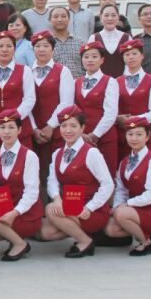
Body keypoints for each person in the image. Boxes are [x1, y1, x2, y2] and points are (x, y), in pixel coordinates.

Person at [39, 106, 114, 258]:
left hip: (91, 209)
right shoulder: (57, 153)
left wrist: (90, 208)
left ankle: (85, 242)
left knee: (50, 209)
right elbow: (52, 180)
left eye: (73, 126)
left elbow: (108, 184)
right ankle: (84, 233)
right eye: (64, 126)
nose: (68, 130)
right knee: (46, 232)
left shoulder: (91, 153)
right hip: (70, 206)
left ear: (82, 128)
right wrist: (57, 199)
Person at [104, 117, 151, 256]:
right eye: (130, 134)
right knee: (111, 229)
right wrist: (117, 205)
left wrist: (127, 204)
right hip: (136, 208)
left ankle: (146, 243)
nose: (134, 138)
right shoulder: (124, 162)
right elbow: (121, 190)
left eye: (139, 134)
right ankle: (147, 232)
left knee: (121, 214)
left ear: (148, 136)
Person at [0, 111, 42, 262]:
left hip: (25, 212)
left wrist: (14, 213)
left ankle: (20, 244)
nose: (6, 132)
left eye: (11, 127)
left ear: (20, 130)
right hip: (4, 206)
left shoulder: (29, 156)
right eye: (2, 127)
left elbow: (32, 192)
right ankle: (14, 239)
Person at [0, 31, 36, 155]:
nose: (4, 50)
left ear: (14, 49)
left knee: (23, 160)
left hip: (20, 127)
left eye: (9, 46)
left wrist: (15, 118)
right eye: (0, 46)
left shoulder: (25, 70)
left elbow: (30, 99)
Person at [30, 30, 74, 171]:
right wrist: (34, 129)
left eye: (46, 46)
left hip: (57, 130)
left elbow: (66, 102)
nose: (41, 49)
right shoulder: (27, 72)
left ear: (53, 49)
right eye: (37, 46)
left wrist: (50, 126)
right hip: (33, 132)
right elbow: (25, 103)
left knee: (58, 168)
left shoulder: (63, 71)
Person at [75, 41, 120, 176]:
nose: (90, 60)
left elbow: (111, 113)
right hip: (82, 137)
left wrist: (95, 134)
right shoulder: (76, 82)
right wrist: (80, 134)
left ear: (102, 60)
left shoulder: (110, 81)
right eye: (86, 57)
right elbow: (73, 110)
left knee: (107, 175)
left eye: (94, 56)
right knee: (84, 175)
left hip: (104, 137)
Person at [115, 39, 151, 160]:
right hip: (122, 137)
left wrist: (137, 119)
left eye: (134, 53)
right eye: (127, 54)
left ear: (142, 56)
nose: (131, 57)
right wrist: (117, 118)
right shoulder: (116, 82)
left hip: (145, 136)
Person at [88, 3, 130, 78]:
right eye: (106, 15)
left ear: (118, 17)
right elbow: (90, 62)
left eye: (113, 15)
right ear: (101, 18)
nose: (110, 18)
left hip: (123, 80)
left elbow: (131, 62)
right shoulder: (93, 38)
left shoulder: (127, 37)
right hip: (99, 80)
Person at [49, 6, 85, 78]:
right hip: (55, 83)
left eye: (63, 16)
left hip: (77, 83)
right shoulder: (46, 44)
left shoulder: (80, 42)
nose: (59, 19)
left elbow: (86, 68)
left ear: (69, 19)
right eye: (55, 17)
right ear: (50, 20)